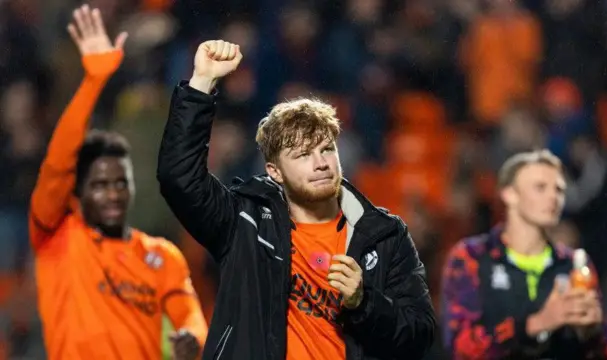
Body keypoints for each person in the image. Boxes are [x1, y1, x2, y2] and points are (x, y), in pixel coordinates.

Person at [157, 40, 437, 359]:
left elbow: (420, 335)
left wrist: (364, 301)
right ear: (275, 171)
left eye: (326, 149)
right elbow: (178, 178)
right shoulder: (244, 221)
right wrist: (202, 83)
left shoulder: (383, 235)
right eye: (303, 155)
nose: (320, 163)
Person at [29, 6, 207, 360]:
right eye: (99, 184)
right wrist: (93, 80)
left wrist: (193, 337)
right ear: (78, 192)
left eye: (120, 183)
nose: (112, 193)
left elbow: (190, 316)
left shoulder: (161, 256)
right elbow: (57, 163)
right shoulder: (59, 238)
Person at [441, 149, 607, 359]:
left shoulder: (575, 264)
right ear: (509, 194)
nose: (553, 197)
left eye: (559, 190)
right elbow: (460, 348)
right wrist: (537, 323)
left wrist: (592, 332)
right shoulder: (472, 257)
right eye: (540, 188)